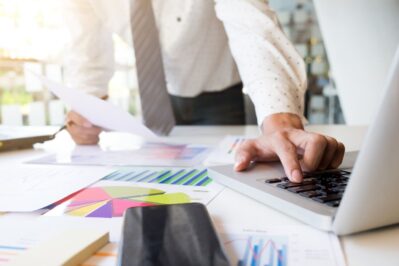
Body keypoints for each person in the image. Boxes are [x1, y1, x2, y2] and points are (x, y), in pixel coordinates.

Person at [61, 0, 345, 183]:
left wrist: (280, 122)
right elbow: (86, 50)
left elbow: (250, 23)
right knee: (159, 183)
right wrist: (85, 106)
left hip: (219, 95)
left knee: (230, 181)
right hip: (157, 98)